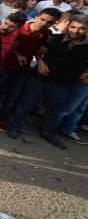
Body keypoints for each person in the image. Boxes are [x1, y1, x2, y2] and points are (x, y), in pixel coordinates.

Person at [6, 14, 88, 148]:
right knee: (26, 103)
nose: (76, 31)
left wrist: (86, 73)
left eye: (81, 28)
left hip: (63, 83)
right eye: (73, 27)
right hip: (40, 78)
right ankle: (14, 126)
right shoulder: (53, 39)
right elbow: (38, 52)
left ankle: (48, 132)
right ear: (68, 26)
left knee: (54, 109)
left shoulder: (86, 47)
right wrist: (40, 61)